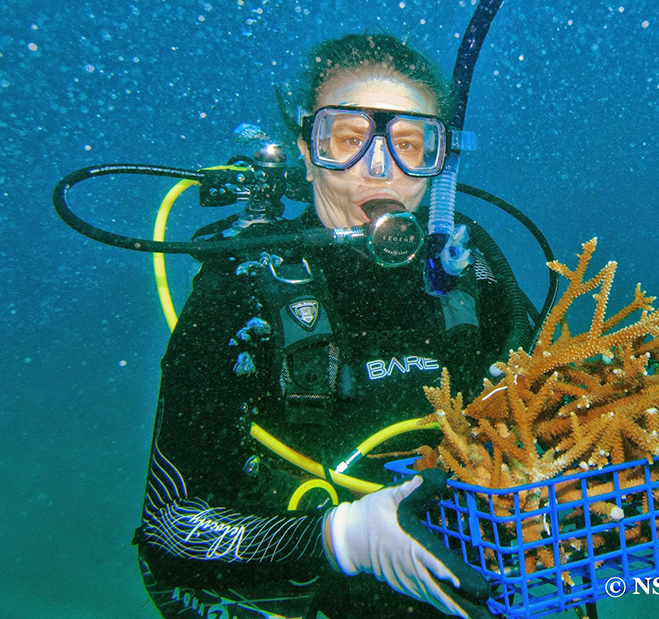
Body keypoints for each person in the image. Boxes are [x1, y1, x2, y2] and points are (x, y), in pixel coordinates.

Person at [134, 32, 534, 619]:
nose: (379, 170)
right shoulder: (245, 283)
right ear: (306, 149)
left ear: (439, 162)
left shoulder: (472, 268)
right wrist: (338, 538)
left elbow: (554, 395)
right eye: (347, 140)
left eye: (409, 144)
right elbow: (168, 528)